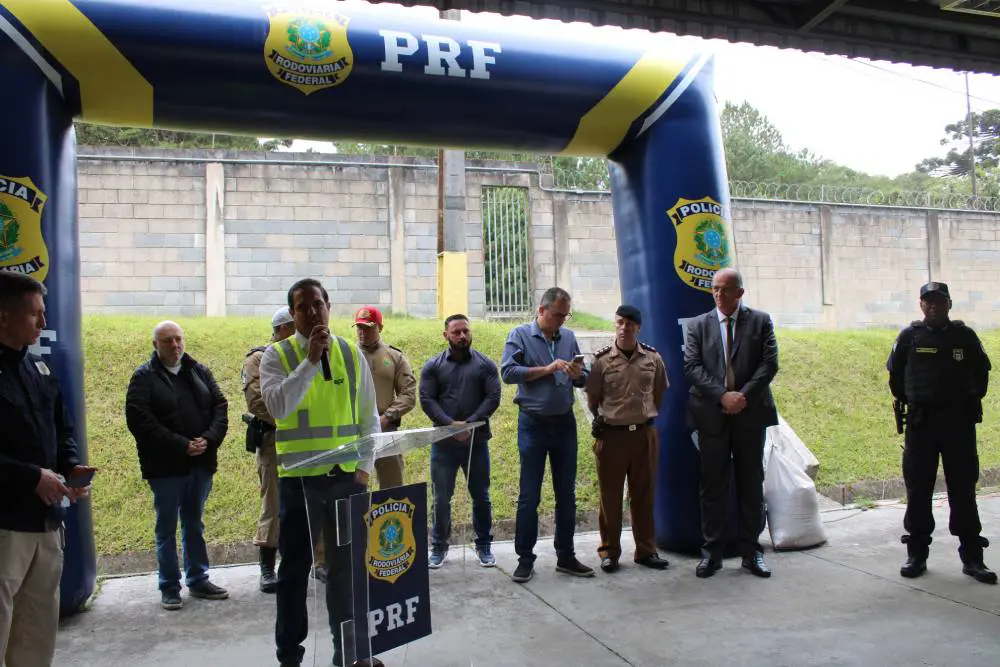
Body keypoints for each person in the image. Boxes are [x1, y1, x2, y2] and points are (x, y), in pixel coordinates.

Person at [260, 278, 380, 667]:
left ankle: (350, 655)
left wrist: (364, 468)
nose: (312, 312)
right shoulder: (276, 356)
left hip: (347, 480)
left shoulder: (348, 352)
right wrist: (310, 361)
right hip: (300, 482)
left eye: (318, 304)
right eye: (302, 307)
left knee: (347, 573)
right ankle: (289, 657)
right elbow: (278, 407)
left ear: (329, 305)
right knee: (294, 573)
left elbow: (368, 417)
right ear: (292, 314)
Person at [0, 272, 95, 667]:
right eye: (35, 315)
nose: (43, 323)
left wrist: (69, 467)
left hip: (46, 523)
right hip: (6, 526)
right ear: (4, 317)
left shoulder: (38, 369)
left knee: (37, 629)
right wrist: (31, 477)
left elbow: (62, 429)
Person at [886, 281, 996, 584]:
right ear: (921, 305)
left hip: (958, 425)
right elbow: (896, 378)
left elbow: (982, 374)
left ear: (949, 303)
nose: (932, 306)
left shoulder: (965, 336)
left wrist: (962, 402)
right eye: (927, 301)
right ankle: (917, 554)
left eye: (938, 301)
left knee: (963, 490)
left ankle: (973, 557)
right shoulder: (909, 337)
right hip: (922, 426)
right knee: (918, 489)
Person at [126, 320, 229, 609]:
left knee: (194, 523)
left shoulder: (198, 371)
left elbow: (220, 406)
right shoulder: (143, 378)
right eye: (168, 340)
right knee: (167, 526)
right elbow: (140, 420)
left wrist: (207, 439)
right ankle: (169, 586)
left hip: (200, 463)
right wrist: (181, 445)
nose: (175, 345)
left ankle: (198, 579)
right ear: (155, 345)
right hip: (166, 468)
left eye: (178, 339)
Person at [683, 268, 778, 579]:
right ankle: (712, 553)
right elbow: (692, 367)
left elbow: (769, 364)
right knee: (712, 485)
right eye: (715, 289)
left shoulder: (761, 321)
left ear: (740, 292)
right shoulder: (698, 325)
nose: (719, 295)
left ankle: (752, 552)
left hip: (750, 415)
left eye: (725, 289)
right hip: (712, 416)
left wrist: (742, 397)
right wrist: (723, 396)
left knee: (751, 484)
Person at [501, 286, 593, 583]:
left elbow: (584, 378)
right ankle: (525, 558)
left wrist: (579, 375)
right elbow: (508, 373)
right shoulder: (520, 335)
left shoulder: (568, 337)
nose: (561, 322)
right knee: (530, 494)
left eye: (565, 316)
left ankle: (565, 555)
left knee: (566, 493)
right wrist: (547, 368)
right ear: (541, 310)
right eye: (557, 315)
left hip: (564, 423)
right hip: (533, 424)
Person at [585, 305, 670, 573]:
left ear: (638, 328)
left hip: (644, 435)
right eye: (620, 323)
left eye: (629, 324)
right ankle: (609, 552)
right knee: (610, 497)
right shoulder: (601, 361)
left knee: (644, 495)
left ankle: (646, 550)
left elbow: (658, 394)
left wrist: (642, 418)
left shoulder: (653, 359)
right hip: (612, 437)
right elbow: (593, 399)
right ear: (615, 324)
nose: (624, 328)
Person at [420, 314, 502, 569]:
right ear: (446, 335)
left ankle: (483, 545)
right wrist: (449, 425)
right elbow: (427, 399)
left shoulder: (485, 365)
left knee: (481, 496)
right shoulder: (433, 366)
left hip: (476, 443)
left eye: (466, 331)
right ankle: (439, 547)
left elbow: (493, 397)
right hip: (443, 445)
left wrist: (469, 424)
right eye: (456, 332)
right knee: (441, 498)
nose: (462, 336)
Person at [242, 307, 297, 593]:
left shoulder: (301, 355)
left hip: (304, 441)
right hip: (274, 439)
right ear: (281, 329)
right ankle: (267, 567)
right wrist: (290, 421)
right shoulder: (259, 358)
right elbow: (256, 400)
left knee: (302, 503)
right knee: (273, 503)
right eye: (292, 327)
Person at [354, 305, 417, 488]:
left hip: (386, 428)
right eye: (359, 327)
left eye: (368, 327)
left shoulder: (394, 356)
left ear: (380, 328)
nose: (363, 332)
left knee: (392, 487)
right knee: (354, 488)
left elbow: (409, 393)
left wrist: (387, 416)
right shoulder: (348, 355)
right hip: (354, 431)